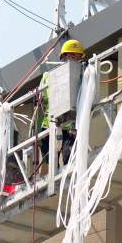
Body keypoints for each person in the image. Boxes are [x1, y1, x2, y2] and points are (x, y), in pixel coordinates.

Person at [38, 39, 86, 172]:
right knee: (50, 159)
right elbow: (42, 99)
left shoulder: (83, 74)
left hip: (69, 126)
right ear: (64, 57)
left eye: (77, 57)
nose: (73, 59)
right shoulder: (49, 76)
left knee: (68, 156)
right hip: (50, 125)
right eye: (71, 55)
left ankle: (67, 180)